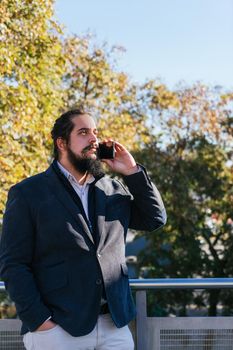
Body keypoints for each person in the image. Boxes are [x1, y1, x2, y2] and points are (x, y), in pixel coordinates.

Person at [0, 108, 166, 350]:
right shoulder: (28, 193)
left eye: (95, 133)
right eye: (84, 132)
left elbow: (155, 218)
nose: (93, 139)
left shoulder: (113, 189)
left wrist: (132, 171)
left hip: (114, 326)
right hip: (58, 329)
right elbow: (13, 263)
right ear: (61, 143)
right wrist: (40, 321)